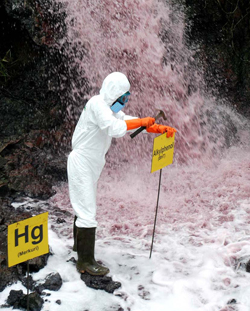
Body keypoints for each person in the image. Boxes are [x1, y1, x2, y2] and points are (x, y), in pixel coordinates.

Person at [68, 72, 176, 276]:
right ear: (113, 93)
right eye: (123, 98)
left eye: (127, 98)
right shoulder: (97, 104)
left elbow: (126, 120)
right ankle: (85, 262)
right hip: (81, 161)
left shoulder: (109, 108)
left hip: (92, 162)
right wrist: (144, 121)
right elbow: (115, 128)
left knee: (83, 204)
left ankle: (77, 248)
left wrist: (156, 128)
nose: (124, 103)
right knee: (87, 210)